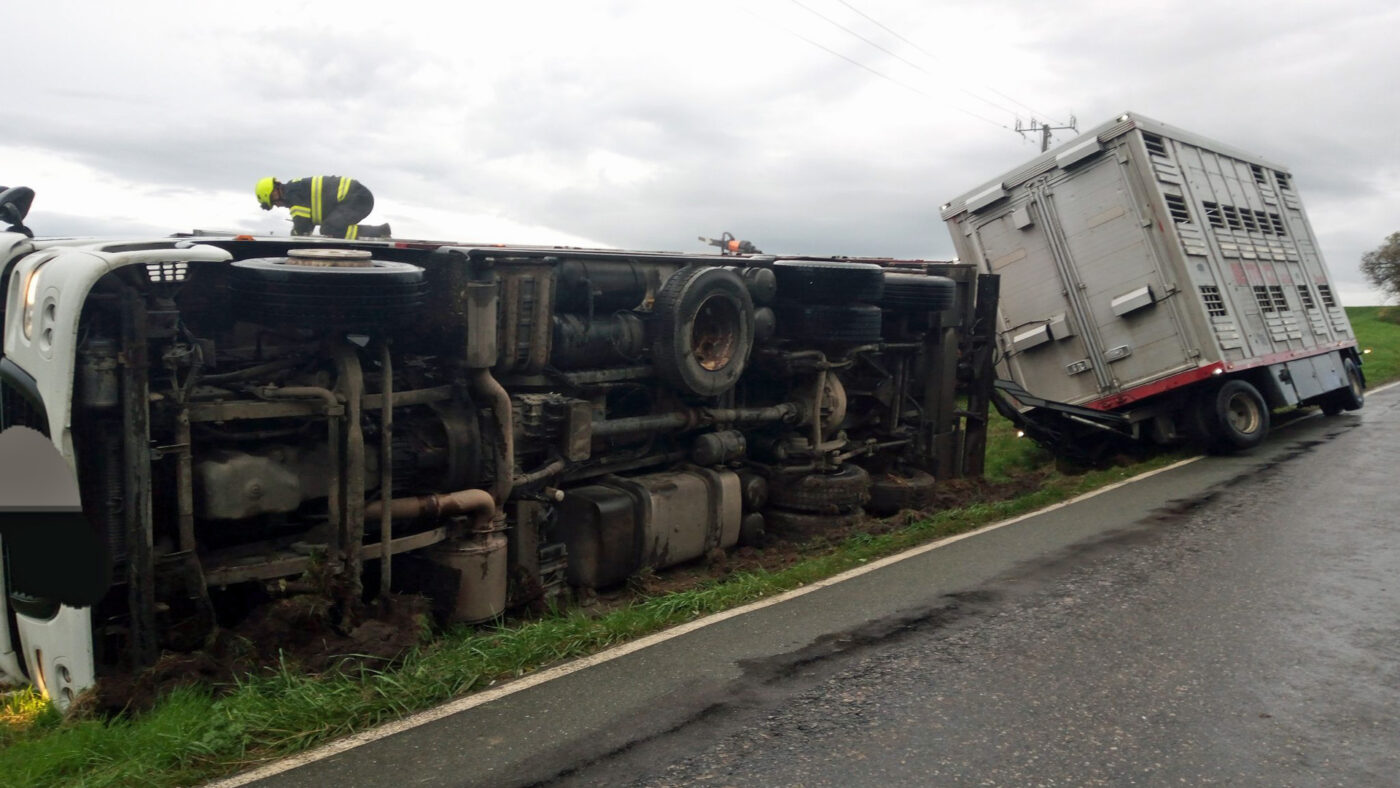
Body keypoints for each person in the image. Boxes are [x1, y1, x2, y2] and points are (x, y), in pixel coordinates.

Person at [255, 176, 391, 239]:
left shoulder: (293, 194)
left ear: (274, 192)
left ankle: (379, 231)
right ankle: (382, 231)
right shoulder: (295, 190)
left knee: (329, 228)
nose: (277, 206)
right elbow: (307, 225)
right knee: (330, 227)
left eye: (273, 202)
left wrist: (292, 240)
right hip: (357, 197)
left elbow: (301, 227)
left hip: (357, 198)